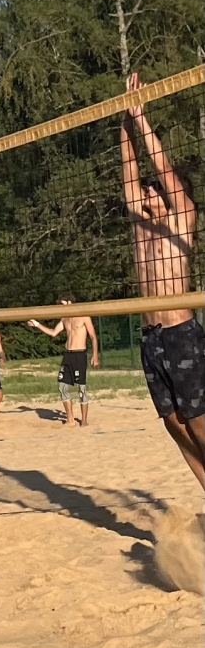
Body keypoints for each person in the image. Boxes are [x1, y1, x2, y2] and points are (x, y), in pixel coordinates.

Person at [121, 72, 204, 487]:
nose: (148, 191)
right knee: (174, 424)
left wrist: (141, 118)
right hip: (151, 339)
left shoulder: (181, 219)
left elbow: (164, 169)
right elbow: (128, 174)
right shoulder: (141, 228)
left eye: (155, 189)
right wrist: (122, 120)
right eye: (147, 189)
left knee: (198, 423)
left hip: (181, 334)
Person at [28, 296, 99, 427]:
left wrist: (95, 355)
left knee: (81, 388)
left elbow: (93, 336)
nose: (61, 308)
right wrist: (37, 324)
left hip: (79, 354)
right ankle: (70, 419)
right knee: (62, 386)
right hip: (68, 355)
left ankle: (84, 420)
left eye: (62, 304)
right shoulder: (64, 319)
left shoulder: (84, 316)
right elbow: (53, 332)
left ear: (70, 302)